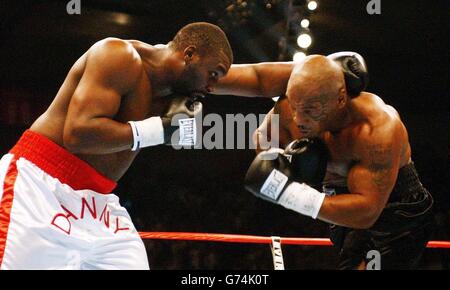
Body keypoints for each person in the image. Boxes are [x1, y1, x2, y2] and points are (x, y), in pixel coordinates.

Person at [0, 22, 233, 269]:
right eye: (213, 74)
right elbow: (79, 134)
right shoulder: (118, 56)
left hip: (97, 202)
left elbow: (258, 80)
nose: (211, 87)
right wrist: (159, 131)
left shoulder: (175, 94)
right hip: (39, 186)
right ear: (189, 54)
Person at [239, 53, 435, 269]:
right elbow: (262, 137)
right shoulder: (291, 107)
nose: (298, 119)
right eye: (294, 107)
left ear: (340, 99)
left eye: (309, 110)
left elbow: (367, 213)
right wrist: (281, 160)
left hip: (395, 209)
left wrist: (289, 194)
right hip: (339, 199)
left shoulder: (376, 130)